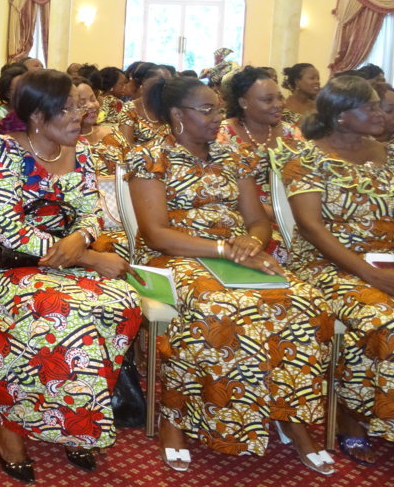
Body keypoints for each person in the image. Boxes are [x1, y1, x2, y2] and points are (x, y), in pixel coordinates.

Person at [127, 76, 335, 474]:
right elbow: (157, 234)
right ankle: (176, 419)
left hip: (238, 256)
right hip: (174, 258)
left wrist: (251, 243)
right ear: (177, 114)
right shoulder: (150, 156)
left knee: (304, 301)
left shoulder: (233, 156)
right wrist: (224, 249)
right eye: (207, 110)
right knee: (218, 306)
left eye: (219, 110)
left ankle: (289, 415)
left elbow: (257, 221)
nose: (217, 119)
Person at [0, 69, 141, 481]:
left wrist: (81, 239)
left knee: (123, 304)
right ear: (36, 116)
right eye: (65, 110)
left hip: (65, 258)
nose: (77, 116)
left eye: (78, 107)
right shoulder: (6, 151)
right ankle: (11, 427)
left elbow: (91, 214)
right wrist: (87, 259)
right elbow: (11, 231)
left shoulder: (82, 153)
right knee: (61, 313)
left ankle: (74, 416)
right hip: (5, 262)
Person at [277, 75, 394, 464]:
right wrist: (372, 274)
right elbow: (311, 228)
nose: (381, 113)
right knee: (388, 320)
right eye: (371, 106)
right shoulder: (306, 159)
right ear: (341, 117)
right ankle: (352, 417)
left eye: (382, 106)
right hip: (330, 266)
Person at [216, 66, 301, 260]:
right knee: (281, 249)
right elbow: (225, 190)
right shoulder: (223, 135)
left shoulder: (291, 133)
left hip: (292, 210)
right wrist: (277, 213)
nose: (278, 104)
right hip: (246, 214)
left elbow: (305, 181)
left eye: (279, 97)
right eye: (268, 100)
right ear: (243, 102)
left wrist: (294, 212)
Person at [72, 77, 131, 260]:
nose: (91, 106)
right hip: (84, 222)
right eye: (82, 102)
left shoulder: (113, 135)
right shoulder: (63, 144)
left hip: (121, 215)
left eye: (93, 99)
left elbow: (131, 174)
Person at [118, 63, 172, 146]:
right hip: (139, 154)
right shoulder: (130, 109)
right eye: (156, 87)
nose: (159, 92)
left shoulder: (171, 109)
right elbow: (126, 146)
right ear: (143, 85)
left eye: (166, 87)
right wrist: (157, 143)